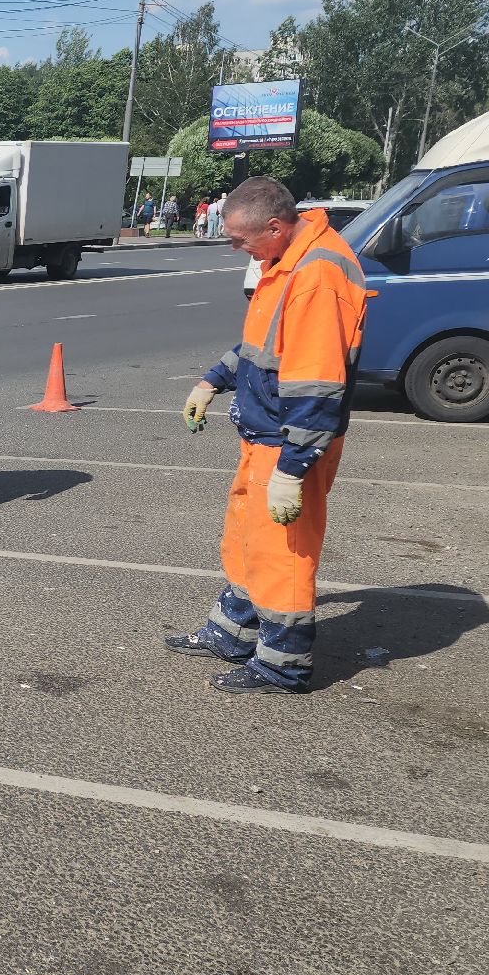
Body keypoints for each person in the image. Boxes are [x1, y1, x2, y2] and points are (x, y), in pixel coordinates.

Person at [175, 176, 368, 695]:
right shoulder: (285, 263)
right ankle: (232, 631)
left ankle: (283, 663)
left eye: (241, 239)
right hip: (265, 434)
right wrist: (212, 379)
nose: (236, 248)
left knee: (282, 552)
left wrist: (293, 467)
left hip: (288, 441)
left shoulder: (316, 277)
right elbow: (261, 346)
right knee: (246, 537)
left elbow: (318, 382)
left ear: (276, 227)